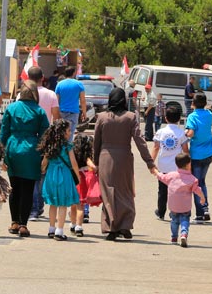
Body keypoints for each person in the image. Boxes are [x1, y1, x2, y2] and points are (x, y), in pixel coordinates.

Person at [93, 88, 158, 240]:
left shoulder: (101, 117)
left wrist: (95, 162)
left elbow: (96, 142)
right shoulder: (131, 117)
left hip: (105, 158)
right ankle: (125, 226)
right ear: (123, 100)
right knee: (125, 191)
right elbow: (140, 141)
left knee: (108, 192)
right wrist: (149, 162)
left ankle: (111, 227)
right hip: (124, 158)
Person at [0, 80, 50, 237]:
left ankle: (14, 222)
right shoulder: (40, 111)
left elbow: (3, 133)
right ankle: (23, 225)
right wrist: (45, 157)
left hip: (12, 148)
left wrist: (1, 155)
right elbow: (45, 136)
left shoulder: (12, 108)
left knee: (14, 188)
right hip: (31, 151)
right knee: (28, 189)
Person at [38, 119, 81, 241]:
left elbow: (44, 162)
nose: (69, 132)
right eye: (68, 130)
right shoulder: (68, 146)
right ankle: (59, 231)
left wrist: (43, 169)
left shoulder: (50, 146)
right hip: (64, 175)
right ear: (62, 133)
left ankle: (51, 229)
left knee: (53, 203)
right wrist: (78, 177)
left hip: (51, 175)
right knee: (62, 204)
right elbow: (73, 163)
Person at [27, 66, 60, 222]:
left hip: (28, 136)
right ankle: (38, 206)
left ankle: (34, 208)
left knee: (31, 173)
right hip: (45, 137)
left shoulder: (23, 93)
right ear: (42, 78)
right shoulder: (51, 94)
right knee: (42, 172)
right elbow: (56, 118)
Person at [154, 154, 205, 247]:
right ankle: (184, 233)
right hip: (185, 206)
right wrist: (202, 197)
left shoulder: (172, 175)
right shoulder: (192, 179)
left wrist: (156, 172)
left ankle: (174, 237)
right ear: (188, 165)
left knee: (174, 221)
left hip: (173, 205)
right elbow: (197, 190)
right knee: (185, 220)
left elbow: (162, 177)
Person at [150, 104, 186, 220]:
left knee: (162, 190)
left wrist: (151, 162)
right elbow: (186, 150)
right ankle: (174, 211)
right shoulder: (181, 133)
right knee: (175, 190)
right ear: (179, 118)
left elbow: (156, 147)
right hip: (177, 167)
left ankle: (161, 212)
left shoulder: (161, 132)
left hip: (163, 166)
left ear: (166, 118)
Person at [183, 92, 212, 223]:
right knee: (202, 181)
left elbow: (191, 133)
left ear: (193, 104)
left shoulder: (192, 116)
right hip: (209, 152)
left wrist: (185, 133)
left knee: (196, 183)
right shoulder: (209, 114)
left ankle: (200, 213)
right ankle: (205, 207)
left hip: (197, 154)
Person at [70, 133, 97, 237]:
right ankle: (79, 227)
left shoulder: (73, 154)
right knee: (80, 206)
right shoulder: (86, 157)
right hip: (82, 182)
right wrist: (95, 168)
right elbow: (93, 166)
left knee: (72, 206)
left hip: (73, 180)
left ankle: (72, 224)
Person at [55, 67, 86, 133]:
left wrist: (56, 114)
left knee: (62, 133)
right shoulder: (79, 84)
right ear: (73, 73)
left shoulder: (59, 84)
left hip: (62, 112)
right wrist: (84, 113)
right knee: (70, 133)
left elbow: (56, 100)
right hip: (73, 112)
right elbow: (82, 100)